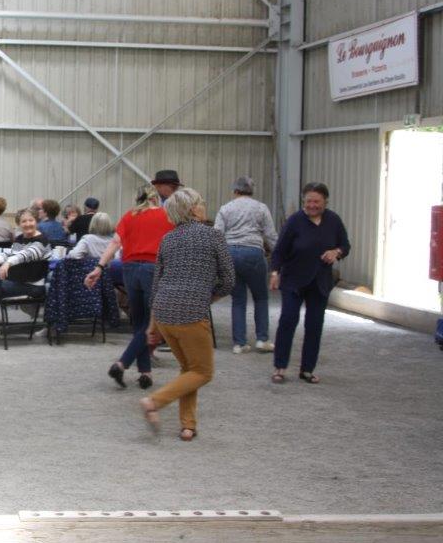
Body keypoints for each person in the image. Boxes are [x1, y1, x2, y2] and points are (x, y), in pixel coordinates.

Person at [138, 188, 235, 442]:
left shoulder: (167, 239)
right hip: (191, 313)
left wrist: (152, 325)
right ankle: (154, 402)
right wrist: (207, 296)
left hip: (163, 313)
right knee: (203, 372)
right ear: (193, 209)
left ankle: (187, 425)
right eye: (201, 203)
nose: (204, 206)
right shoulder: (214, 236)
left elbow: (157, 284)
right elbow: (228, 280)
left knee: (188, 369)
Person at [86, 184, 172, 390]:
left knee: (139, 321)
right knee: (151, 322)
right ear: (155, 198)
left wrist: (99, 267)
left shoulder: (128, 216)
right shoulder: (167, 216)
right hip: (153, 269)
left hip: (130, 270)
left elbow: (115, 244)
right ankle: (122, 363)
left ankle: (145, 373)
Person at [270, 182, 350, 385]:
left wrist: (336, 252)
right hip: (293, 280)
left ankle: (307, 369)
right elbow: (279, 250)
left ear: (325, 201)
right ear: (303, 201)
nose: (312, 205)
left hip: (320, 281)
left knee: (314, 325)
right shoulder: (294, 221)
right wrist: (274, 272)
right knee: (288, 320)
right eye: (308, 201)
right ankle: (280, 367)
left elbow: (345, 245)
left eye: (317, 201)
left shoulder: (333, 220)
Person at [213, 177, 278, 354]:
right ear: (252, 191)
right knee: (261, 298)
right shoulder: (261, 208)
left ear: (235, 191)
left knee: (238, 300)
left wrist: (218, 261)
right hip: (254, 254)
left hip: (231, 254)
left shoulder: (226, 208)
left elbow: (217, 235)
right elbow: (271, 236)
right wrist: (280, 259)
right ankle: (262, 339)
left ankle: (239, 343)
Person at [0, 208, 51, 347]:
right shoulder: (21, 238)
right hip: (19, 282)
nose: (27, 224)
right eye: (24, 221)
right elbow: (10, 253)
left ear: (36, 221)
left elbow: (26, 255)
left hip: (34, 286)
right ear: (19, 224)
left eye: (31, 220)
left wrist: (8, 263)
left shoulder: (42, 241)